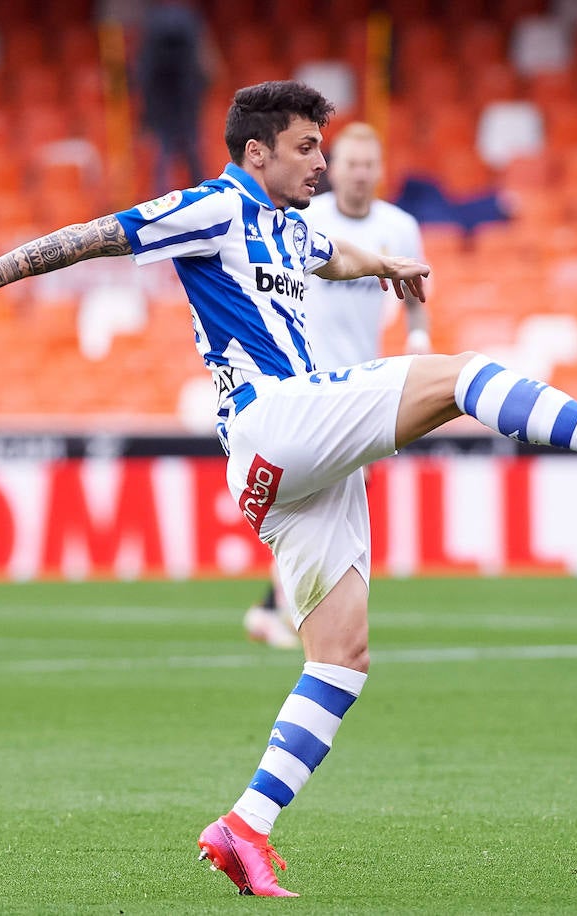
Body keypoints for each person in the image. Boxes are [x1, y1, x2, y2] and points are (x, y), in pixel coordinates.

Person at [0, 80, 577, 897]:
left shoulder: (287, 228)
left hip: (291, 464)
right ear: (256, 151)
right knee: (461, 376)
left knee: (342, 659)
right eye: (307, 148)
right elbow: (100, 235)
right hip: (276, 420)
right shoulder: (210, 208)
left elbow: (329, 255)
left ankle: (243, 828)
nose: (322, 164)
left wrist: (382, 263)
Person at [243, 121, 430, 650]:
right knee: (316, 496)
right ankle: (286, 608)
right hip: (305, 380)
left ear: (379, 172)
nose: (359, 175)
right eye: (350, 164)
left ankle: (272, 606)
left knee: (336, 497)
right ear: (333, 169)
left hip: (361, 379)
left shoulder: (399, 226)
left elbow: (414, 291)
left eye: (369, 166)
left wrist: (418, 336)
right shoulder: (305, 218)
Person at [135, 0, 212, 193]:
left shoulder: (159, 19)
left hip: (174, 106)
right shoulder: (184, 18)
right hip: (173, 107)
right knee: (175, 156)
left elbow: (144, 74)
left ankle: (164, 206)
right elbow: (206, 71)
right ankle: (203, 198)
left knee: (169, 158)